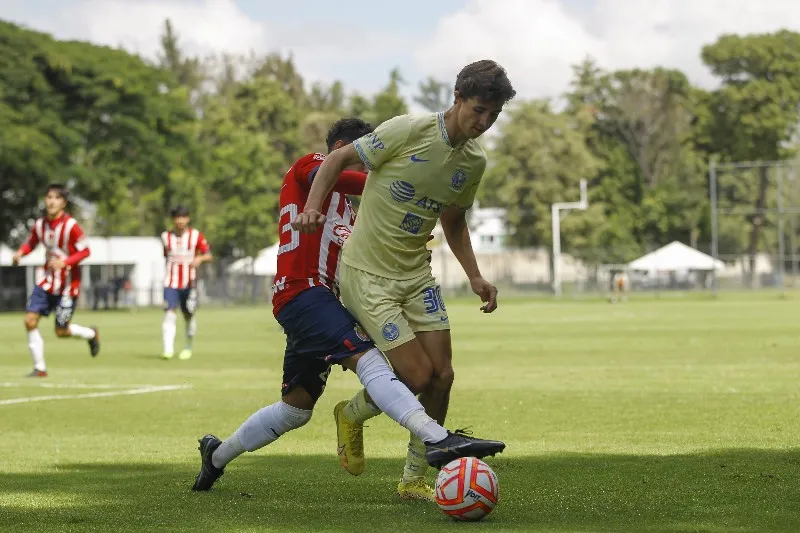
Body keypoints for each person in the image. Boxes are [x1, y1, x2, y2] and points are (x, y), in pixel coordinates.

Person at [192, 118, 504, 492]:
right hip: (302, 292)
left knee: (295, 409)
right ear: (342, 148)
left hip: (323, 302)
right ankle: (437, 438)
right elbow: (347, 172)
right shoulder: (310, 165)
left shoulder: (354, 214)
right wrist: (410, 181)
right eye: (367, 157)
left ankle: (216, 456)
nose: (371, 165)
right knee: (368, 359)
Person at [293, 60, 516, 500]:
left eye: (494, 115)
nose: (484, 122)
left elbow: (453, 219)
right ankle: (351, 414)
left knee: (443, 376)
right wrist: (312, 207)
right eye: (478, 110)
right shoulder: (408, 130)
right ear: (457, 98)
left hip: (416, 277)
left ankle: (415, 477)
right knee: (414, 376)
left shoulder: (473, 161)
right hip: (367, 276)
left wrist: (475, 275)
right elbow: (338, 158)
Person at [12, 183, 100, 377]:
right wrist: (20, 253)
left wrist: (66, 262)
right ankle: (40, 368)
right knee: (29, 320)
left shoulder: (71, 226)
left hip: (68, 286)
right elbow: (32, 242)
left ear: (64, 203)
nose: (51, 201)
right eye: (49, 197)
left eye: (56, 198)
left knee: (61, 331)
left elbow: (86, 250)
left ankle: (91, 334)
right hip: (46, 282)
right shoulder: (40, 224)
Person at [160, 205, 212, 360]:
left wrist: (200, 258)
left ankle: (188, 347)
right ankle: (167, 349)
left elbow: (209, 255)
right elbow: (165, 256)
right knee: (169, 313)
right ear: (173, 219)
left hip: (189, 283)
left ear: (187, 218)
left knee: (188, 315)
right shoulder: (165, 237)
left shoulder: (196, 236)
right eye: (177, 217)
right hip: (171, 282)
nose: (180, 221)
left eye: (183, 217)